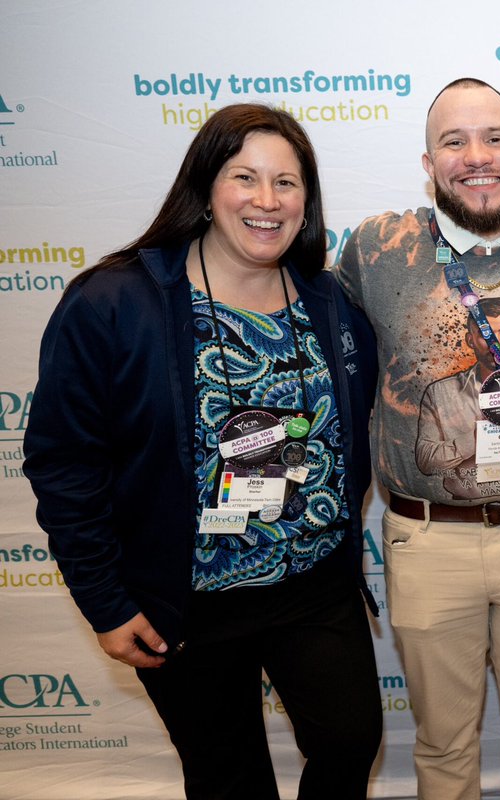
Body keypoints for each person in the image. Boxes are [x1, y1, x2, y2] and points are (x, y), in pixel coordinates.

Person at [23, 104, 382, 800]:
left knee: (350, 743)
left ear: (306, 200)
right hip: (184, 603)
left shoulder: (329, 303)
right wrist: (104, 601)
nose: (267, 200)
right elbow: (64, 462)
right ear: (205, 185)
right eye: (244, 177)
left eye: (287, 182)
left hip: (314, 587)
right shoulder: (115, 302)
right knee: (228, 779)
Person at [336, 77, 500, 799]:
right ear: (428, 162)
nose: (476, 156)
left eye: (495, 138)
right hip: (427, 541)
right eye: (454, 141)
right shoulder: (376, 249)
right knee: (444, 749)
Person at [416, 296, 500, 499]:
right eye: (485, 334)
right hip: (458, 515)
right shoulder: (440, 393)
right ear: (470, 340)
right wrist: (474, 439)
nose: (496, 344)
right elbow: (425, 461)